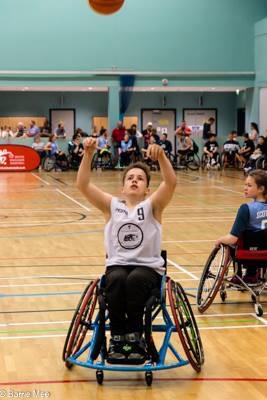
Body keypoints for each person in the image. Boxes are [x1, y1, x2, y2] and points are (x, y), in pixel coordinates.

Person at [76, 138, 176, 363]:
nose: (134, 180)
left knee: (135, 279)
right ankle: (119, 337)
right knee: (118, 279)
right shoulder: (112, 206)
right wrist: (88, 154)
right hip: (117, 265)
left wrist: (161, 157)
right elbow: (83, 185)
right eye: (130, 178)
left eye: (140, 179)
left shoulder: (153, 206)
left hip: (147, 268)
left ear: (147, 189)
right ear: (122, 187)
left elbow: (170, 183)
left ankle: (136, 336)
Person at [215, 170, 267, 284]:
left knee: (235, 242)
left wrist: (219, 240)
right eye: (245, 185)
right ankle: (251, 273)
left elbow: (232, 238)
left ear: (261, 189)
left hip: (247, 254)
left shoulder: (246, 209)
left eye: (249, 185)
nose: (245, 188)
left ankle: (238, 274)